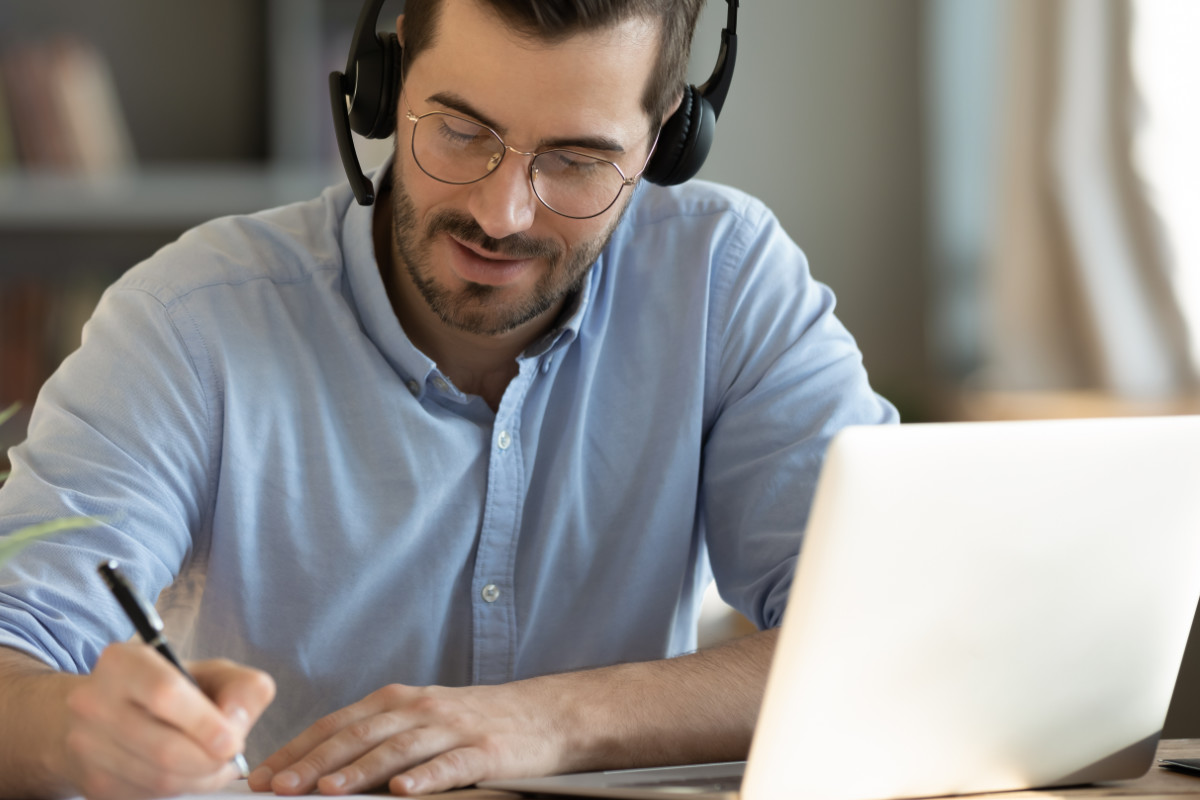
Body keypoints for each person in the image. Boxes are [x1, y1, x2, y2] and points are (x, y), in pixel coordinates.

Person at [0, 0, 897, 798]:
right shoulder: (188, 322)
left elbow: (893, 635)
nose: (503, 212)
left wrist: (546, 721)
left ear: (665, 139)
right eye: (462, 131)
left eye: (578, 160)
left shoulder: (726, 281)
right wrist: (81, 737)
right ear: (384, 87)